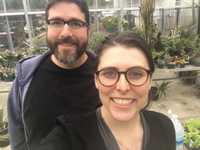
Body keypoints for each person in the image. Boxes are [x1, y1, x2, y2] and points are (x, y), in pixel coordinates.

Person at [37, 32, 176, 150]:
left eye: (136, 74)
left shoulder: (164, 127)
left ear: (150, 80)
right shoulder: (69, 137)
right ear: (96, 80)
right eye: (109, 73)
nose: (123, 87)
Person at [7, 0, 100, 149]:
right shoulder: (26, 77)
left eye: (76, 23)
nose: (65, 33)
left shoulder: (106, 75)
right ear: (46, 28)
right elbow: (18, 137)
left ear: (88, 30)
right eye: (56, 22)